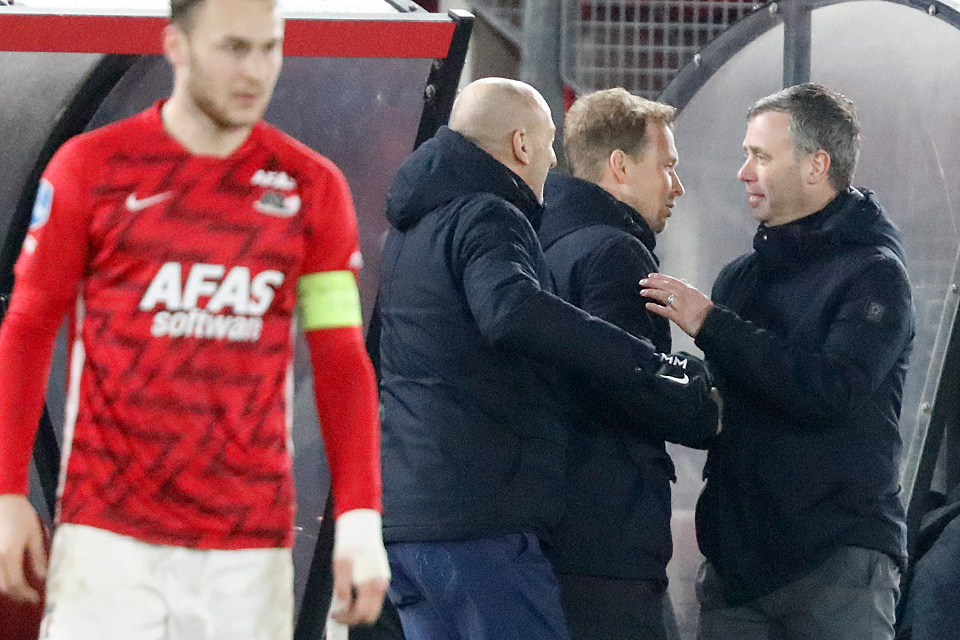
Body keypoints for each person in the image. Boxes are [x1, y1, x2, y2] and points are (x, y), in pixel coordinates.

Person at [0, 0, 390, 637]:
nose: (255, 69)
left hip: (247, 553)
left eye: (269, 47)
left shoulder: (310, 188)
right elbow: (27, 328)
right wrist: (7, 492)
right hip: (109, 542)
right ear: (176, 47)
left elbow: (341, 359)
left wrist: (360, 519)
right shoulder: (92, 168)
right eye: (233, 48)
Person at [376, 77, 718, 640]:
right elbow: (511, 309)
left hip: (409, 520)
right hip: (481, 518)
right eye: (547, 144)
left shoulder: (411, 231)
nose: (554, 162)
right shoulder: (491, 215)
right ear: (521, 145)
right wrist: (651, 364)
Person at [641, 83, 914, 640]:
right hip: (738, 572)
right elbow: (723, 407)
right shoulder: (740, 279)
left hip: (838, 565)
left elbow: (832, 390)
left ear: (817, 166)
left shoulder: (875, 275)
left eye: (761, 156)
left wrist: (713, 325)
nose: (744, 172)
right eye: (746, 154)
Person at [538, 88, 686, 640]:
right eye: (666, 167)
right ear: (620, 167)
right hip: (608, 537)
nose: (677, 186)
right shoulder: (616, 253)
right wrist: (700, 400)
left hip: (553, 527)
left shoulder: (538, 245)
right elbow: (628, 382)